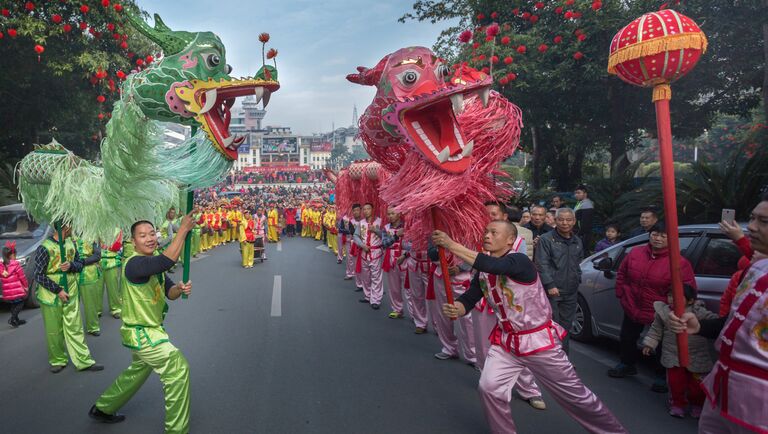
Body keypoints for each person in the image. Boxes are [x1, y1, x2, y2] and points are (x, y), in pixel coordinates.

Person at [434, 221, 627, 434]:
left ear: (510, 240)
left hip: (539, 342)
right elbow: (471, 297)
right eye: (486, 232)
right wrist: (458, 308)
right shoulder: (482, 272)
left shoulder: (519, 261)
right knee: (489, 388)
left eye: (493, 232)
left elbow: (495, 267)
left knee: (576, 397)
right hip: (506, 342)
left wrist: (451, 244)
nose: (487, 236)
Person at [668, 194, 768, 433]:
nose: (750, 227)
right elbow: (735, 323)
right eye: (753, 218)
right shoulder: (754, 268)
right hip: (721, 394)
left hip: (759, 408)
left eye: (764, 221)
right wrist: (699, 326)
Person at [89, 215, 194, 433]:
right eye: (142, 235)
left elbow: (169, 292)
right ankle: (177, 430)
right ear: (132, 241)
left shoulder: (152, 260)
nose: (149, 239)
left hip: (150, 330)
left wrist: (180, 289)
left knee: (138, 370)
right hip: (143, 334)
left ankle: (103, 408)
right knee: (177, 368)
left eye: (152, 234)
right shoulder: (135, 264)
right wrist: (182, 230)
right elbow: (166, 261)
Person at [607, 221, 696, 394]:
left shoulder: (679, 262)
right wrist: (621, 293)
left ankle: (662, 376)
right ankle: (627, 364)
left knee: (664, 345)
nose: (658, 238)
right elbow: (622, 273)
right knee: (627, 337)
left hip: (660, 311)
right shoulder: (635, 253)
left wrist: (670, 308)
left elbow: (686, 288)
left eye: (663, 236)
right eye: (655, 234)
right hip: (633, 304)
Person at [34, 224, 103, 373]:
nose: (73, 227)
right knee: (54, 329)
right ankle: (58, 359)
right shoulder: (44, 248)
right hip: (51, 295)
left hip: (71, 290)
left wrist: (71, 265)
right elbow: (38, 275)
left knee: (75, 326)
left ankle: (83, 360)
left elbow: (79, 264)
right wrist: (58, 290)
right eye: (70, 224)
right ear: (64, 227)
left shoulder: (71, 243)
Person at [641, 284, 718, 418]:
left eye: (676, 296)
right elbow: (655, 330)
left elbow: (716, 321)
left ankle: (697, 405)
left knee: (697, 386)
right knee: (676, 384)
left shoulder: (698, 311)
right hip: (673, 355)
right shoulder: (663, 312)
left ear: (690, 300)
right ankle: (677, 404)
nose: (672, 299)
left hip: (696, 355)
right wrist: (649, 344)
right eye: (670, 296)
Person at [534, 208, 583, 353]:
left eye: (569, 220)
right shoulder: (546, 239)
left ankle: (563, 360)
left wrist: (577, 279)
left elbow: (578, 264)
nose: (565, 223)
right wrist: (549, 284)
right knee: (552, 326)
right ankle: (551, 360)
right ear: (555, 221)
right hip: (553, 290)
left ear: (574, 222)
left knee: (566, 327)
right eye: (561, 219)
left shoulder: (577, 241)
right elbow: (541, 264)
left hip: (571, 291)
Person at [354, 203, 384, 309]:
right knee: (365, 276)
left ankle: (375, 299)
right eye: (364, 209)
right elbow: (356, 236)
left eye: (368, 209)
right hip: (364, 252)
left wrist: (376, 230)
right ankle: (367, 296)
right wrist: (362, 245)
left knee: (376, 277)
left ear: (373, 209)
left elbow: (386, 236)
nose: (366, 211)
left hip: (376, 253)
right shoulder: (361, 223)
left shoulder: (380, 221)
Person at [382, 207, 406, 319]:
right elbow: (385, 243)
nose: (390, 216)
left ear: (399, 213)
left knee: (410, 290)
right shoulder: (386, 228)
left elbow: (412, 243)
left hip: (405, 259)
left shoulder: (407, 226)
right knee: (394, 287)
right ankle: (397, 309)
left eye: (393, 213)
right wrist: (397, 236)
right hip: (391, 259)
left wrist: (406, 255)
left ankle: (418, 318)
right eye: (388, 214)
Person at [76, 238, 104, 336]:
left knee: (90, 302)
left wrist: (82, 261)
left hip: (89, 273)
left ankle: (93, 327)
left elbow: (97, 255)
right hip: (71, 274)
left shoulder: (92, 236)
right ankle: (74, 330)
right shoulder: (68, 236)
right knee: (71, 305)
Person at [1, 241, 28, 327]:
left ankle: (16, 320)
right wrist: (26, 286)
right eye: (15, 255)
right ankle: (13, 318)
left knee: (14, 304)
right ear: (11, 255)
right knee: (20, 303)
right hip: (17, 290)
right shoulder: (16, 265)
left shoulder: (2, 266)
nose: (16, 257)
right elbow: (22, 277)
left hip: (8, 291)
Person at [101, 230, 124, 318]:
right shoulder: (96, 227)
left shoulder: (117, 229)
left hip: (112, 262)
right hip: (98, 262)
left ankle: (116, 309)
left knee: (113, 287)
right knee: (97, 289)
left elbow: (117, 246)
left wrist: (105, 245)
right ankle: (97, 309)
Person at [574, 185, 595, 253]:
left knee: (583, 252)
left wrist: (579, 234)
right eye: (575, 193)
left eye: (578, 193)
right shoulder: (580, 203)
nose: (576, 195)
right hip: (579, 234)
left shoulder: (587, 204)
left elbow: (586, 223)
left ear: (585, 194)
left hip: (583, 235)